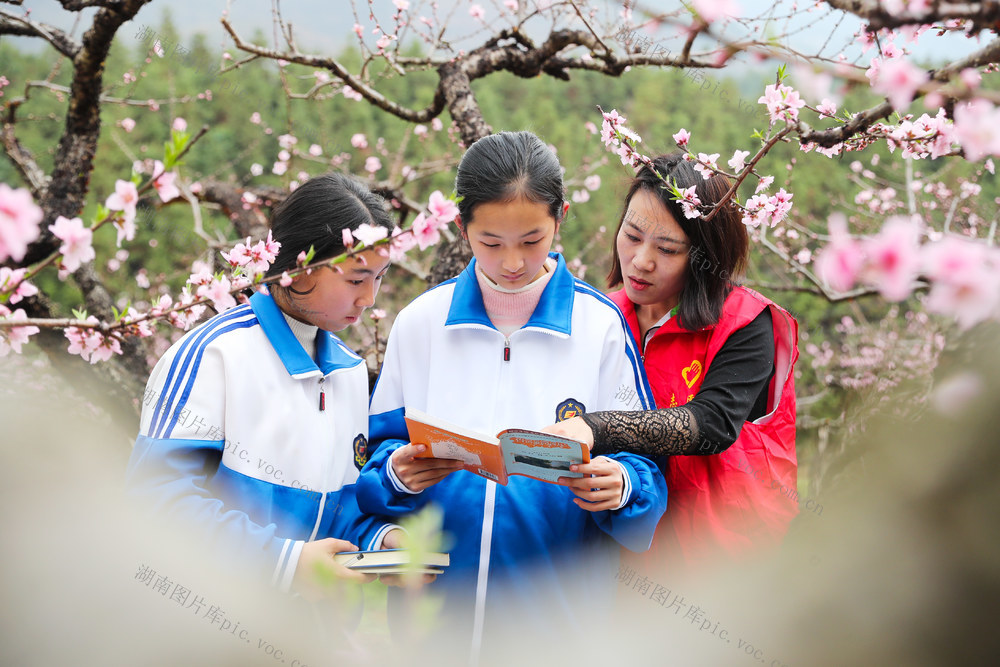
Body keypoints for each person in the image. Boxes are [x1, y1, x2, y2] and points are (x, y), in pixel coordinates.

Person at [355, 131, 667, 658]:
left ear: (560, 218)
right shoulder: (421, 324)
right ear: (462, 227)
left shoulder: (600, 327)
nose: (513, 262)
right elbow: (369, 464)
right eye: (491, 243)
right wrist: (394, 475)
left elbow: (648, 474)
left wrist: (622, 486)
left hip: (558, 628)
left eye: (532, 240)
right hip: (432, 628)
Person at [125, 172, 408, 603]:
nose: (369, 298)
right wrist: (283, 563)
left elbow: (336, 513)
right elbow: (155, 499)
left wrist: (380, 542)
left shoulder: (350, 374)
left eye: (380, 278)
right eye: (356, 279)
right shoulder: (215, 355)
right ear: (296, 267)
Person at [546, 153, 799, 571]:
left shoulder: (745, 322)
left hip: (714, 557)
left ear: (705, 257)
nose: (642, 261)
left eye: (667, 249)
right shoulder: (601, 317)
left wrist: (595, 429)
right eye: (631, 236)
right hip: (615, 543)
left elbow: (712, 424)